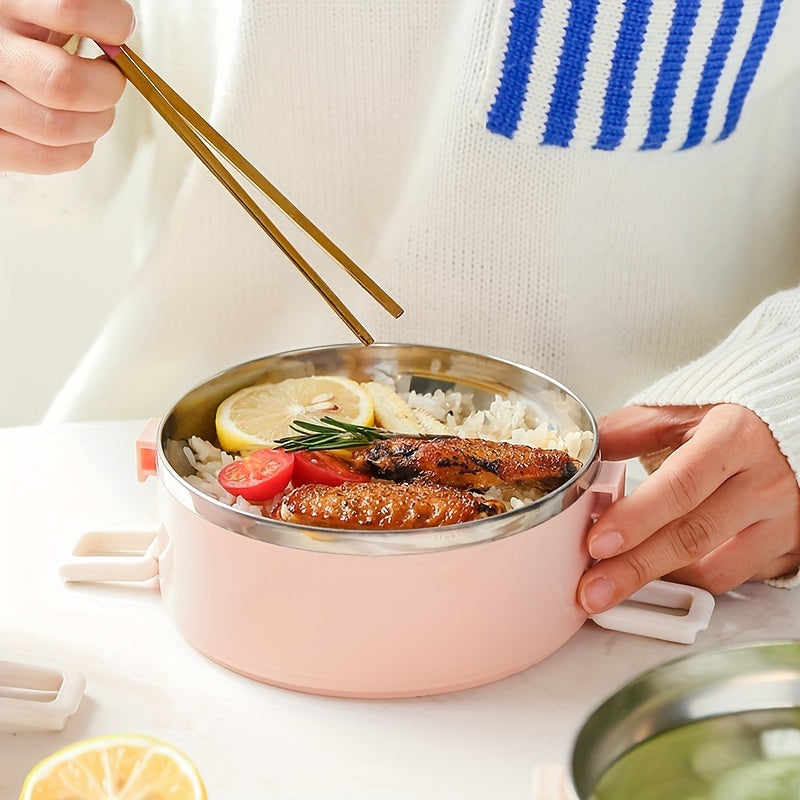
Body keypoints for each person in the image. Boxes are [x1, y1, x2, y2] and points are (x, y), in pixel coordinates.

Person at [1, 0, 798, 613]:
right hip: (149, 514)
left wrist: (788, 383)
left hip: (667, 537)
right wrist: (29, 91)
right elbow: (59, 145)